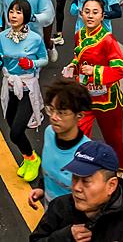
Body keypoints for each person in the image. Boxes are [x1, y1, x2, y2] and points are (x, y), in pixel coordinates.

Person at [30, 141, 123, 242]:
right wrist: (64, 237)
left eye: (86, 181)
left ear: (111, 185)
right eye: (75, 178)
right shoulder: (59, 207)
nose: (76, 188)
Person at [68, 0, 123, 170]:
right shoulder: (79, 35)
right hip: (85, 96)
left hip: (106, 99)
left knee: (113, 138)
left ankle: (120, 167)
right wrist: (74, 65)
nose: (90, 16)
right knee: (79, 133)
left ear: (103, 15)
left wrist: (95, 72)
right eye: (87, 12)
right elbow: (79, 57)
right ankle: (82, 166)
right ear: (81, 14)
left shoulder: (108, 41)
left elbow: (121, 70)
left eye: (95, 12)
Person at [0, 0, 48, 182]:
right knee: (10, 122)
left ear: (26, 16)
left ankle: (33, 159)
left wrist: (32, 63)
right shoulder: (2, 37)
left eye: (18, 12)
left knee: (16, 132)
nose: (13, 15)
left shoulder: (35, 39)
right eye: (11, 11)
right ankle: (27, 157)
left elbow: (44, 59)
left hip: (26, 88)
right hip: (9, 86)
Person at [27, 79, 92, 210]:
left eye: (62, 113)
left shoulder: (88, 153)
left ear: (79, 116)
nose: (54, 117)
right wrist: (41, 189)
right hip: (50, 212)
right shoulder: (49, 133)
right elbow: (50, 170)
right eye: (51, 110)